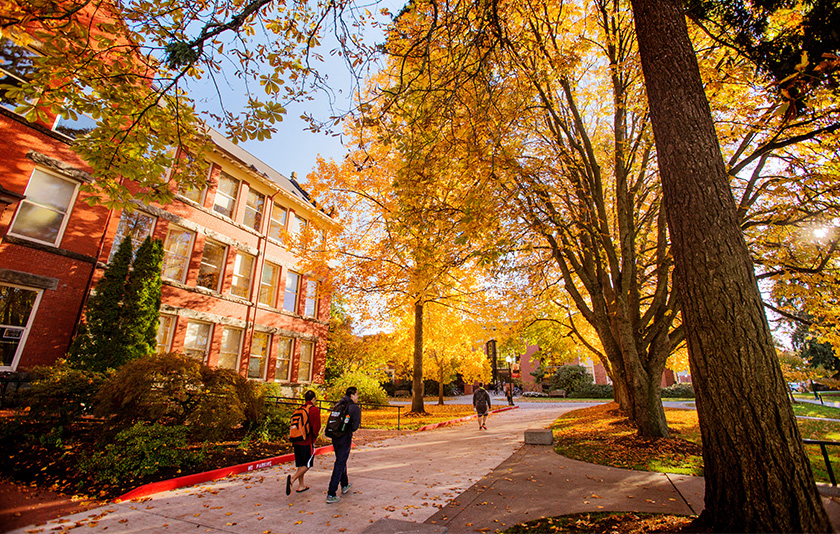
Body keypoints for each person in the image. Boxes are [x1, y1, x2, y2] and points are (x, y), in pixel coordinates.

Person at [326, 386, 362, 503]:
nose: (357, 397)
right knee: (340, 463)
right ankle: (331, 493)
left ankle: (345, 484)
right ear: (352, 395)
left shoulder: (339, 404)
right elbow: (355, 426)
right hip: (345, 437)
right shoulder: (354, 408)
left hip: (335, 437)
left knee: (341, 460)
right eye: (356, 395)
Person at [286, 390, 320, 495]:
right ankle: (292, 479)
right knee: (307, 464)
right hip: (307, 440)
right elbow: (316, 426)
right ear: (313, 399)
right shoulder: (314, 410)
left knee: (300, 463)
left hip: (297, 439)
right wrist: (315, 436)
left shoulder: (299, 409)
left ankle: (301, 485)